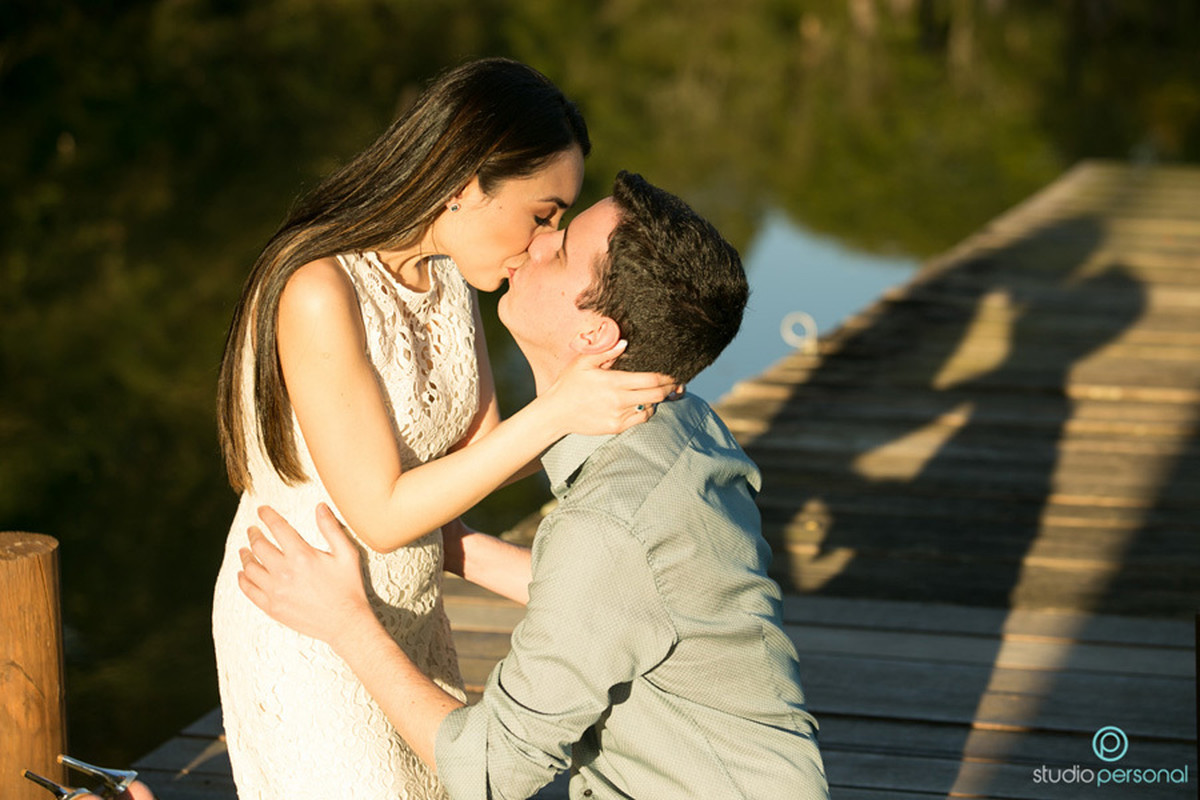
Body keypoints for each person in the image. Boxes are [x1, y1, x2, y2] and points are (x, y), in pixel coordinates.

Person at [239, 171, 831, 799]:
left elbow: (492, 771)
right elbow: (624, 596)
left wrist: (345, 621)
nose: (538, 243)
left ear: (594, 336)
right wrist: (455, 545)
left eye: (562, 249)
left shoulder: (609, 522)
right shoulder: (683, 423)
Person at [211, 61, 676, 800]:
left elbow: (482, 452)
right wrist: (558, 411)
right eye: (543, 214)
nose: (544, 241)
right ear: (464, 182)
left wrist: (605, 385)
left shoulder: (449, 275)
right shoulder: (319, 288)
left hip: (411, 617)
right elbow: (381, 515)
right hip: (307, 612)